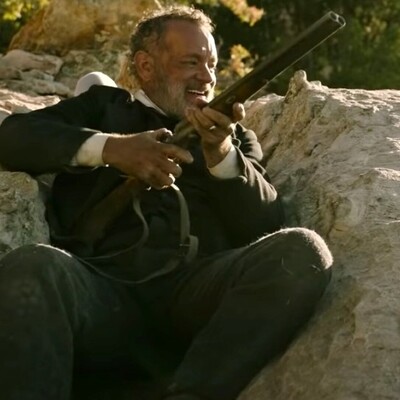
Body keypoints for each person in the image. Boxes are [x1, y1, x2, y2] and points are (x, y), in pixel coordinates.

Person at [0, 5, 333, 400]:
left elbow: (265, 224)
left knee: (302, 251)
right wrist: (112, 149)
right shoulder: (104, 107)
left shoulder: (234, 138)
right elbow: (12, 137)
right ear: (145, 66)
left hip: (193, 297)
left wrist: (221, 154)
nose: (207, 77)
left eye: (211, 65)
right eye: (191, 62)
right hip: (101, 291)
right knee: (35, 265)